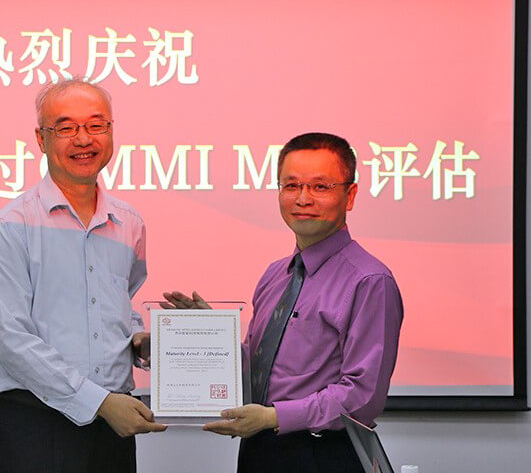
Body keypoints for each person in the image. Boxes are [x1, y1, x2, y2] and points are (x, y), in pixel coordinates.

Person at [165, 132, 403, 473]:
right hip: (260, 447)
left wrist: (274, 417)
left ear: (349, 195)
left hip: (322, 452)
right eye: (291, 186)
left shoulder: (369, 281)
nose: (303, 198)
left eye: (320, 186)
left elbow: (362, 397)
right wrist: (211, 336)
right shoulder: (275, 275)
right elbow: (262, 371)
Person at [0, 78, 166, 473]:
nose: (83, 139)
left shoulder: (129, 223)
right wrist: (98, 402)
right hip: (34, 423)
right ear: (41, 139)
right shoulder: (12, 224)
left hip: (112, 427)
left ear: (111, 131)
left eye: (96, 125)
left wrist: (139, 340)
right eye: (66, 128)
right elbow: (10, 338)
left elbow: (118, 304)